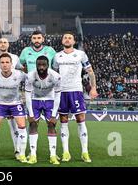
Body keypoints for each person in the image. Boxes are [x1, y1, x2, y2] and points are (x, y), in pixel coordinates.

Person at [52, 33, 98, 163]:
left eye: (69, 38)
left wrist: (93, 88)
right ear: (62, 41)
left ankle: (85, 152)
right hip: (62, 92)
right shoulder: (57, 56)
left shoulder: (81, 54)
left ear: (74, 41)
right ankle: (66, 152)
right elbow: (54, 74)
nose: (67, 39)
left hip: (76, 91)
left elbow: (90, 72)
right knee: (63, 120)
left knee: (81, 119)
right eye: (65, 38)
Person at [0, 53, 28, 163]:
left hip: (15, 103)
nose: (5, 65)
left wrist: (26, 94)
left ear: (11, 64)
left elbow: (31, 79)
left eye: (7, 62)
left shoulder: (19, 74)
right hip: (0, 103)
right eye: (2, 62)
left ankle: (21, 154)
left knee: (22, 126)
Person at [25, 55, 61, 165]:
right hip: (35, 99)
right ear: (36, 65)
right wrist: (30, 114)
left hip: (50, 100)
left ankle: (53, 155)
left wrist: (54, 115)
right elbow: (27, 95)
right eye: (39, 65)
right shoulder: (30, 76)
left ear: (48, 65)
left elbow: (58, 95)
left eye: (43, 65)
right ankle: (33, 154)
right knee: (33, 125)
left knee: (51, 125)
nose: (41, 67)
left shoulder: (56, 76)